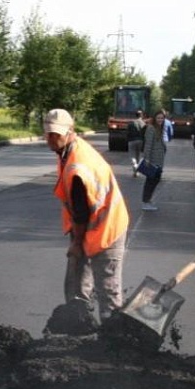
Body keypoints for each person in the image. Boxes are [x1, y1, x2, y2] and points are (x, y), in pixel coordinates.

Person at [44, 109, 129, 324]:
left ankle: (113, 335)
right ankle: (78, 326)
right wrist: (77, 241)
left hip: (107, 228)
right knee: (76, 282)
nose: (52, 138)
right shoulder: (67, 151)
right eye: (49, 134)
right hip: (87, 226)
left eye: (57, 134)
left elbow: (81, 212)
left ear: (70, 132)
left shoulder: (78, 168)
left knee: (107, 290)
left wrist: (77, 244)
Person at [141, 109, 167, 211]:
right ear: (154, 118)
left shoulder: (160, 128)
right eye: (158, 118)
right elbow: (148, 144)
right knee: (150, 181)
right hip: (152, 160)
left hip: (159, 160)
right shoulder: (151, 128)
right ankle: (146, 201)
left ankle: (148, 199)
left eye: (162, 118)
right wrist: (147, 158)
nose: (160, 120)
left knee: (156, 180)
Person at [126, 109, 146, 177]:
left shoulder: (131, 123)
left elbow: (127, 133)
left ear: (135, 115)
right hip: (140, 141)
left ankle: (135, 165)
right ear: (141, 115)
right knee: (138, 155)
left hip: (131, 141)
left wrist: (128, 140)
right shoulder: (143, 123)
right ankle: (136, 172)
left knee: (132, 155)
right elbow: (145, 134)